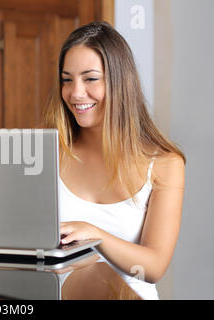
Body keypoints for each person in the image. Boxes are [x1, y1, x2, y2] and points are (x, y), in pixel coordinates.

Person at [43, 21, 185, 300]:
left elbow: (154, 268)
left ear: (120, 81)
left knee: (98, 274)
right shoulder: (46, 152)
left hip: (128, 294)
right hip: (56, 292)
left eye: (90, 78)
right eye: (67, 79)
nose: (75, 93)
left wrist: (95, 235)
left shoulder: (165, 165)